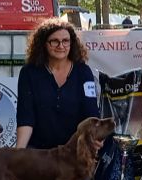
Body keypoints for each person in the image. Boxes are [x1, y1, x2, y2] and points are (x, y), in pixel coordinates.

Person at [16, 18, 101, 150]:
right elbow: (25, 117)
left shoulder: (83, 72)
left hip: (73, 151)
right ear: (43, 44)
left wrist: (94, 137)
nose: (61, 46)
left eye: (65, 41)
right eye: (54, 41)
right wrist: (18, 152)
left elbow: (90, 112)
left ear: (72, 43)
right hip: (39, 153)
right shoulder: (29, 72)